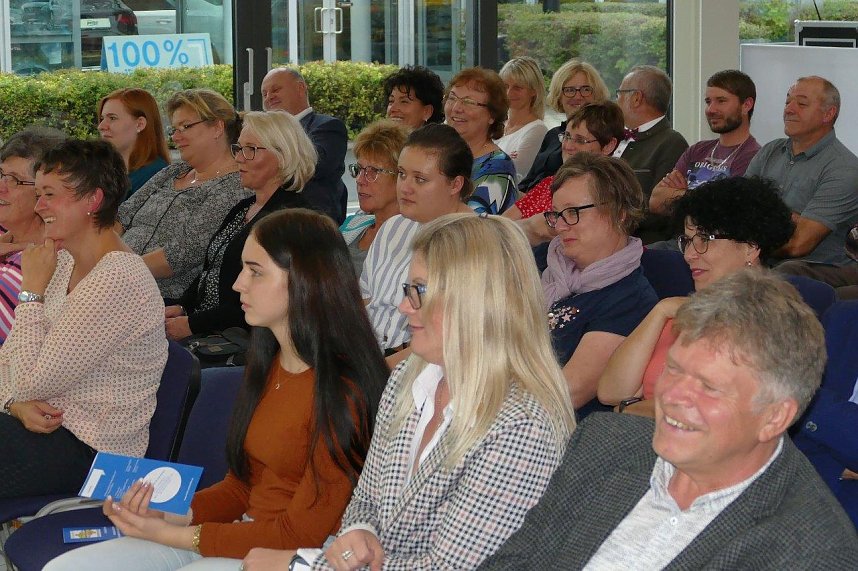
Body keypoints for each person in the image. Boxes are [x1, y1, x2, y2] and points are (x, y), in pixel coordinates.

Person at [44, 209, 389, 570]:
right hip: (243, 532)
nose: (239, 284)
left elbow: (299, 534)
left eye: (256, 272)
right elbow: (242, 486)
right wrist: (173, 515)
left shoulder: (344, 392)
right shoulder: (269, 364)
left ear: (305, 281)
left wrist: (175, 535)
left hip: (290, 555)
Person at [243, 213, 577, 571]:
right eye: (407, 291)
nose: (404, 307)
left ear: (475, 301)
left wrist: (302, 566)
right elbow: (367, 500)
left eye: (418, 291)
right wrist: (359, 531)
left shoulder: (522, 425)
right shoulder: (409, 377)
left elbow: (450, 568)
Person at [479, 270, 858, 570]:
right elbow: (515, 560)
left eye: (709, 387)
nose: (673, 396)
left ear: (775, 417)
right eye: (674, 369)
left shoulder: (813, 551)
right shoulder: (605, 442)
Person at [0, 139, 167, 499]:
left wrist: (31, 292)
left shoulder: (117, 278)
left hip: (92, 455)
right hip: (46, 433)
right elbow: (6, 360)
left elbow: (31, 383)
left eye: (49, 195)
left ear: (93, 200)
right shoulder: (63, 263)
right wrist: (11, 404)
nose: (39, 205)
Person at [598, 176, 795, 417]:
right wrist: (660, 312)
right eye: (688, 241)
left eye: (705, 239)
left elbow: (709, 410)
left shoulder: (770, 321)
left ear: (750, 246)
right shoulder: (679, 308)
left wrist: (629, 409)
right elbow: (610, 392)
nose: (689, 254)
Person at [164, 110, 318, 341]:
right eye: (239, 148)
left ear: (283, 156)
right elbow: (212, 268)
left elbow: (262, 304)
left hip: (241, 338)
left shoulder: (290, 220)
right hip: (208, 324)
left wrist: (192, 324)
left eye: (251, 150)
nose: (239, 158)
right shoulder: (244, 207)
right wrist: (183, 307)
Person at [540, 153, 657, 416]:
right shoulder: (543, 262)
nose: (559, 225)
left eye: (572, 212)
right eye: (556, 214)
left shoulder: (630, 299)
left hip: (546, 429)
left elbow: (568, 391)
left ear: (620, 213)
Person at [117, 88, 249, 300]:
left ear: (217, 127)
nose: (176, 137)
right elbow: (122, 215)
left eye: (185, 127)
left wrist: (114, 272)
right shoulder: (174, 171)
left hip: (158, 296)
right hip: (117, 278)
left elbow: (181, 255)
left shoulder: (234, 187)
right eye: (174, 130)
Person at [361, 123, 473, 354]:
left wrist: (372, 375)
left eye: (420, 179)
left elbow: (452, 341)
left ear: (455, 184)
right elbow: (365, 301)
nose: (405, 188)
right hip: (366, 351)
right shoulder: (393, 227)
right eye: (402, 174)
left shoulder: (475, 244)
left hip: (418, 363)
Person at [747, 76, 858, 284]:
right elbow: (738, 208)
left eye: (801, 103)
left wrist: (744, 246)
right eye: (787, 101)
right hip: (761, 255)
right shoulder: (770, 151)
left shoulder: (844, 168)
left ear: (828, 114)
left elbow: (799, 244)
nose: (789, 109)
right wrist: (791, 218)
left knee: (786, 272)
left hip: (818, 265)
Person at [650, 70, 760, 217]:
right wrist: (704, 198)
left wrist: (681, 194)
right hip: (681, 238)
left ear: (746, 105)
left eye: (721, 101)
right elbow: (656, 201)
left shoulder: (754, 156)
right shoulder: (697, 150)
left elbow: (727, 210)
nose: (710, 110)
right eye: (708, 101)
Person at [504, 101, 623, 225]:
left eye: (580, 140)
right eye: (566, 136)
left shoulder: (602, 195)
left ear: (608, 146)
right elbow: (504, 222)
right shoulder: (548, 184)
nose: (568, 146)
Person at [0, 127, 66, 343]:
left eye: (15, 180)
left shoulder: (48, 262)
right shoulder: (10, 239)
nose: (1, 187)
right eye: (1, 174)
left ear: (45, 193)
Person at [261, 67, 348, 223]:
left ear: (300, 88)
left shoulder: (328, 127)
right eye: (264, 94)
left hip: (309, 225)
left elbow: (313, 165)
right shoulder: (260, 134)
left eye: (275, 90)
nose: (269, 97)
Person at [518, 59, 609, 194]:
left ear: (596, 94)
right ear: (559, 95)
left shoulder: (598, 139)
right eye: (570, 90)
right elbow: (528, 182)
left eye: (585, 89)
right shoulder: (552, 135)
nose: (577, 96)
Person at [339, 119, 409, 276]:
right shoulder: (354, 224)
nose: (359, 180)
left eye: (373, 172)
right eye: (359, 169)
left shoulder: (412, 238)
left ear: (401, 176)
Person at [444, 67, 518, 215]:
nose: (457, 108)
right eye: (452, 98)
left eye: (469, 102)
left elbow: (471, 227)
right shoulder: (440, 153)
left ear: (492, 115)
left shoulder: (498, 169)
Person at [98, 87, 171, 196]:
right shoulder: (106, 172)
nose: (101, 126)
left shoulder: (155, 178)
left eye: (112, 118)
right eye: (102, 118)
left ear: (140, 124)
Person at [495, 57, 548, 183]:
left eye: (517, 88)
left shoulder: (537, 131)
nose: (508, 93)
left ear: (534, 91)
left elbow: (514, 174)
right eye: (505, 86)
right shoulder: (496, 124)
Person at [383, 65, 445, 129]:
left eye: (404, 101)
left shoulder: (440, 138)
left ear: (427, 111)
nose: (393, 109)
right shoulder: (378, 138)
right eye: (391, 101)